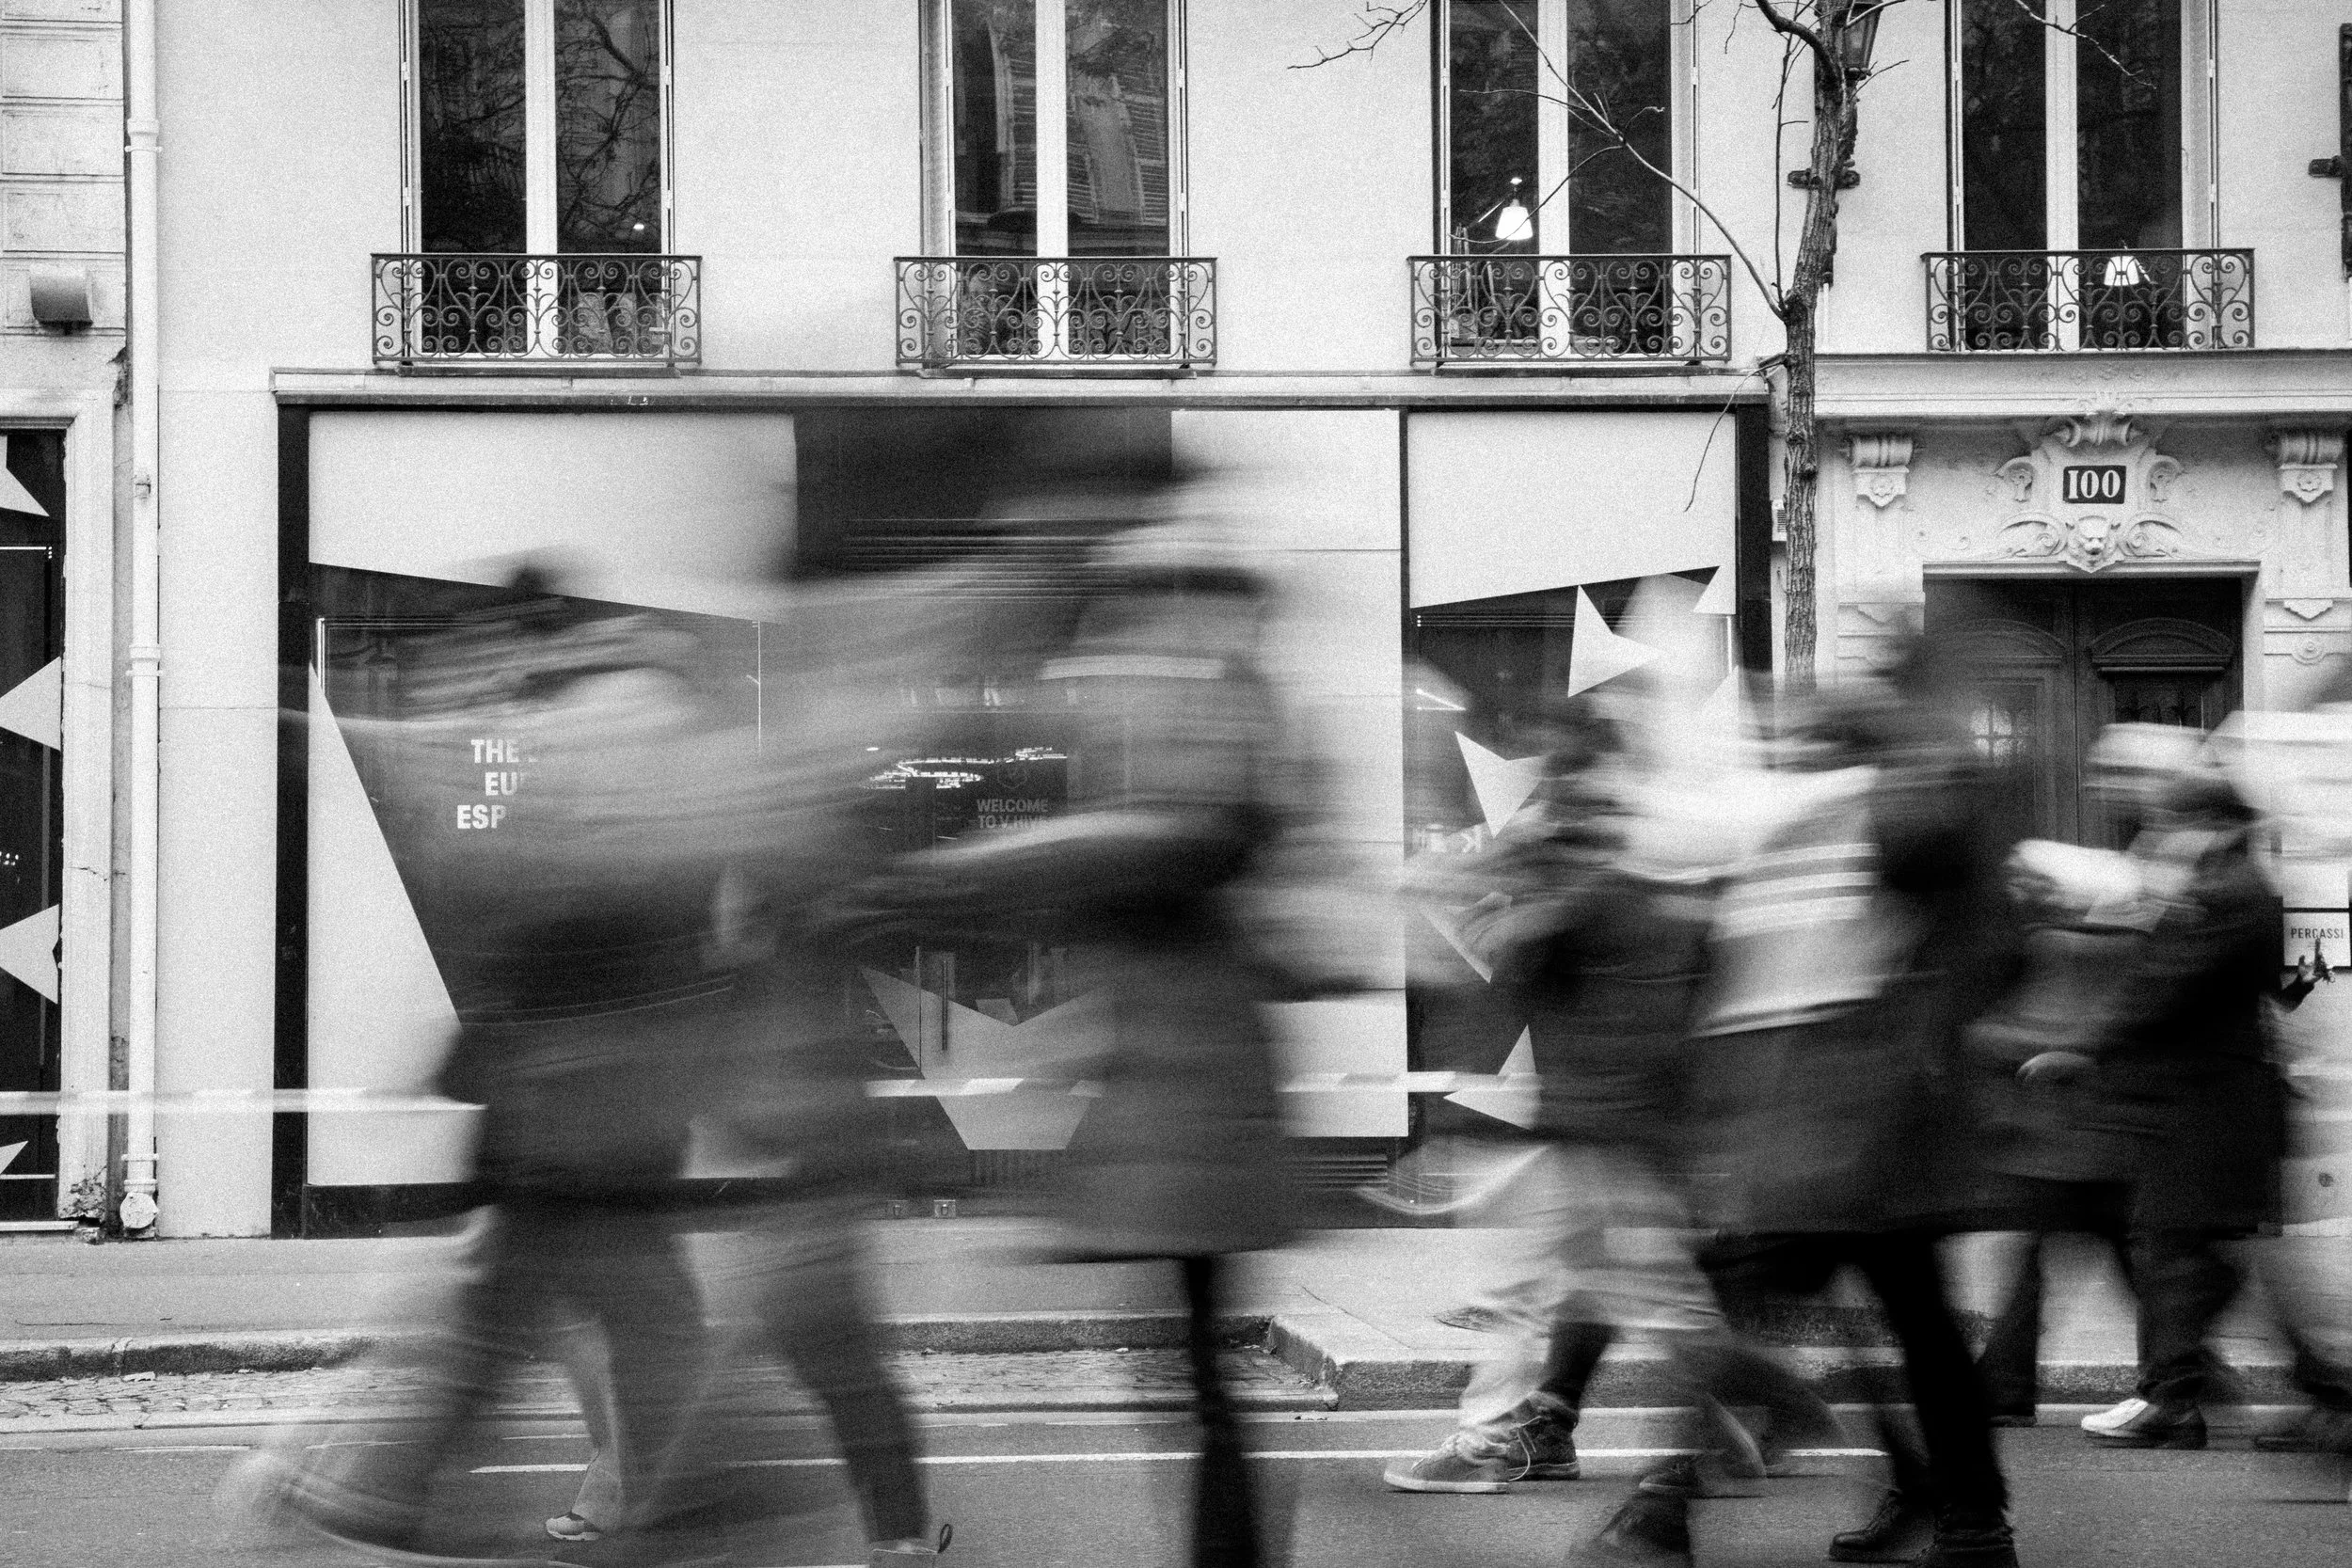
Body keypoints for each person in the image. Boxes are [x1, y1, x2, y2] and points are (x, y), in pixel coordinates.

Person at [850, 510, 1298, 1568]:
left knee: (1195, 1375)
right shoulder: (1211, 711)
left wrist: (961, 868)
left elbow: (1155, 838)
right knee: (1190, 1371)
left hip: (1193, 1098)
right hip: (1174, 1091)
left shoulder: (1214, 720)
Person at [1379, 691, 1833, 1519]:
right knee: (1624, 1291)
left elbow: (1529, 945)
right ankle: (1742, 1422)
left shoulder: (1602, 853)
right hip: (1602, 1113)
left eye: (1553, 757)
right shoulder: (1609, 846)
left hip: (1604, 1116)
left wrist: (1461, 891)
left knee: (1548, 1286)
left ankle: (1503, 1434)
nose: (1541, 774)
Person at [1677, 680, 2021, 1568]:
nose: (1789, 751)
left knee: (1864, 1315)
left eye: (1809, 739)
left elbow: (1987, 937)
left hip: (1877, 1128)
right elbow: (1742, 980)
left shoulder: (1890, 816)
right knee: (1897, 1322)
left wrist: (1929, 1037)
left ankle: (1662, 1503)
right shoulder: (1786, 829)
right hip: (1804, 1129)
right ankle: (1943, 1501)